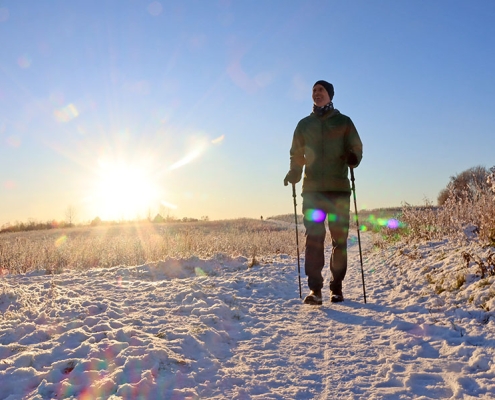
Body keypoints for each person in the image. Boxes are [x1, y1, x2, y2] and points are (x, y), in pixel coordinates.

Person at [284, 80, 363, 305]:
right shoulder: (304, 124)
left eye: (321, 90)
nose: (316, 93)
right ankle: (315, 290)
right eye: (314, 91)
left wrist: (354, 158)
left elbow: (356, 146)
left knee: (339, 240)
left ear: (330, 95)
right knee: (314, 239)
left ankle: (336, 287)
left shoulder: (344, 121)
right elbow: (297, 154)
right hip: (313, 192)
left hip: (338, 191)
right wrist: (294, 173)